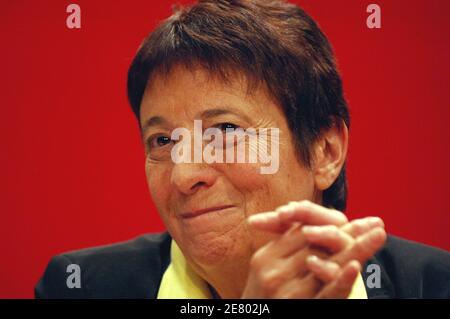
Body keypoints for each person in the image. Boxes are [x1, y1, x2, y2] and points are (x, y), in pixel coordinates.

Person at [36, 0, 450, 299]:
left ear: (325, 151)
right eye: (163, 141)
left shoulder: (436, 284)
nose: (184, 175)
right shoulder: (80, 286)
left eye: (225, 130)